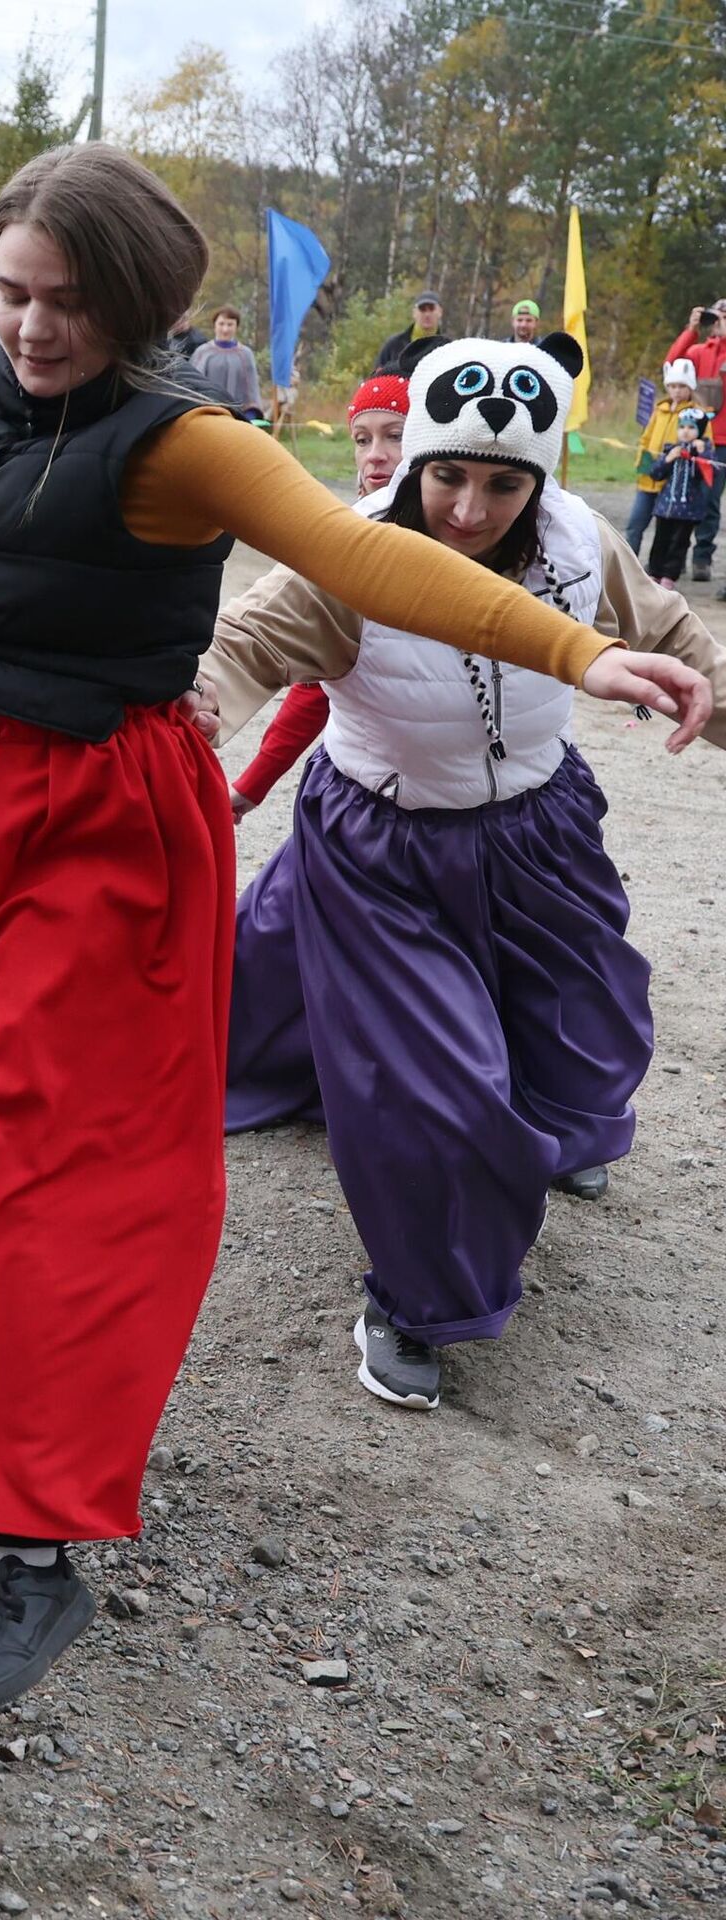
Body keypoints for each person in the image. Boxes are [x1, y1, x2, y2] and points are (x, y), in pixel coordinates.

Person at [0, 142, 708, 1725]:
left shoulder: (183, 448)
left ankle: (32, 1542)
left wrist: (575, 644)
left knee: (26, 1147)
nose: (30, 325)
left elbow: (369, 556)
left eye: (67, 303)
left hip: (92, 822)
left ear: (135, 307)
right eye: (12, 291)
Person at [209, 333, 724, 1414]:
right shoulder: (343, 555)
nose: (470, 509)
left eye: (503, 484)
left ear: (538, 480)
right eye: (447, 475)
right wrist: (164, 736)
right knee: (437, 1095)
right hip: (384, 849)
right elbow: (238, 655)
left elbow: (674, 633)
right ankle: (417, 1297)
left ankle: (556, 1134)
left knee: (590, 1021)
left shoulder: (581, 538)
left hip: (540, 830)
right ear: (415, 466)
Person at [229, 371, 410, 818]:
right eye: (362, 440)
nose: (375, 456)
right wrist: (252, 785)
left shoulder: (479, 538)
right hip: (370, 793)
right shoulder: (350, 542)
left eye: (395, 436)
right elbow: (315, 689)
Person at [663, 302, 726, 582]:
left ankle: (703, 557)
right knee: (684, 499)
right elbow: (673, 364)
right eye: (715, 317)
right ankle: (678, 557)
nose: (717, 323)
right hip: (694, 436)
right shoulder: (699, 352)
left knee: (711, 502)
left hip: (722, 441)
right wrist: (691, 330)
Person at [626, 358, 698, 554]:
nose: (676, 390)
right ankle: (629, 563)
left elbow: (701, 444)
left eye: (682, 386)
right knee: (635, 524)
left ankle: (661, 568)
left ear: (690, 387)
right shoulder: (659, 410)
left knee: (665, 531)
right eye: (673, 386)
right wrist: (641, 462)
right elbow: (645, 438)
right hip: (648, 479)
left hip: (672, 484)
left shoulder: (695, 415)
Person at [645, 406, 714, 586]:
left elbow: (709, 475)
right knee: (660, 540)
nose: (685, 431)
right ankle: (654, 573)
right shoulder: (671, 449)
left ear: (699, 431)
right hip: (665, 508)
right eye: (682, 427)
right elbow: (654, 473)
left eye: (691, 428)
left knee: (679, 544)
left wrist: (702, 453)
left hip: (688, 511)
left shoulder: (702, 451)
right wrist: (668, 459)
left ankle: (669, 576)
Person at [189, 306, 263, 417]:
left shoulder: (245, 354)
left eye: (230, 324)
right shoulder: (202, 352)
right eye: (221, 324)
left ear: (236, 326)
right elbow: (191, 384)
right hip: (205, 415)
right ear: (215, 325)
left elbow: (251, 388)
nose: (225, 329)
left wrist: (250, 415)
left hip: (236, 417)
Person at [374, 290, 443, 373]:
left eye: (431, 309)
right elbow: (376, 375)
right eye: (422, 309)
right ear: (414, 313)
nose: (427, 314)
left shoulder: (447, 348)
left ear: (440, 312)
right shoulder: (394, 344)